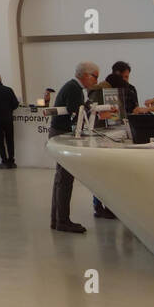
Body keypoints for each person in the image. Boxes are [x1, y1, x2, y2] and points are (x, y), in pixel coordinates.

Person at [50, 61, 101, 233]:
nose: (96, 81)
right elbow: (77, 112)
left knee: (61, 180)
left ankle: (57, 220)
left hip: (59, 132)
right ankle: (62, 221)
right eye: (95, 77)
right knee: (64, 180)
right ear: (86, 75)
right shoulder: (74, 89)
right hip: (62, 134)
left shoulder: (74, 88)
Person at [89, 60, 138, 219]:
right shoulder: (100, 92)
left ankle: (109, 205)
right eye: (124, 77)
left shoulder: (120, 89)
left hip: (113, 132)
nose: (126, 80)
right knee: (102, 173)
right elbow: (98, 113)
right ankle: (100, 205)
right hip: (101, 134)